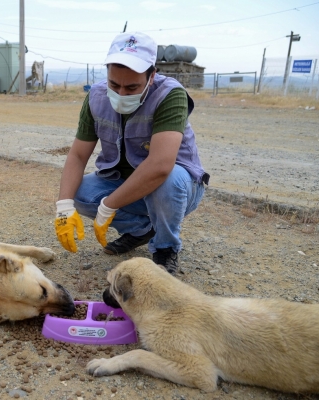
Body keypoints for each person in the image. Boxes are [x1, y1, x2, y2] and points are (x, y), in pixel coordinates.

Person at [54, 32, 209, 275]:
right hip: (126, 182)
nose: (122, 94)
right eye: (114, 85)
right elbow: (77, 156)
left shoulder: (170, 95)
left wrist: (108, 206)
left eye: (132, 87)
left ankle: (165, 247)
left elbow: (160, 166)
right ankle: (142, 230)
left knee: (167, 180)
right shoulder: (96, 96)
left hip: (177, 186)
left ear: (152, 76)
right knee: (79, 194)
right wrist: (63, 207)